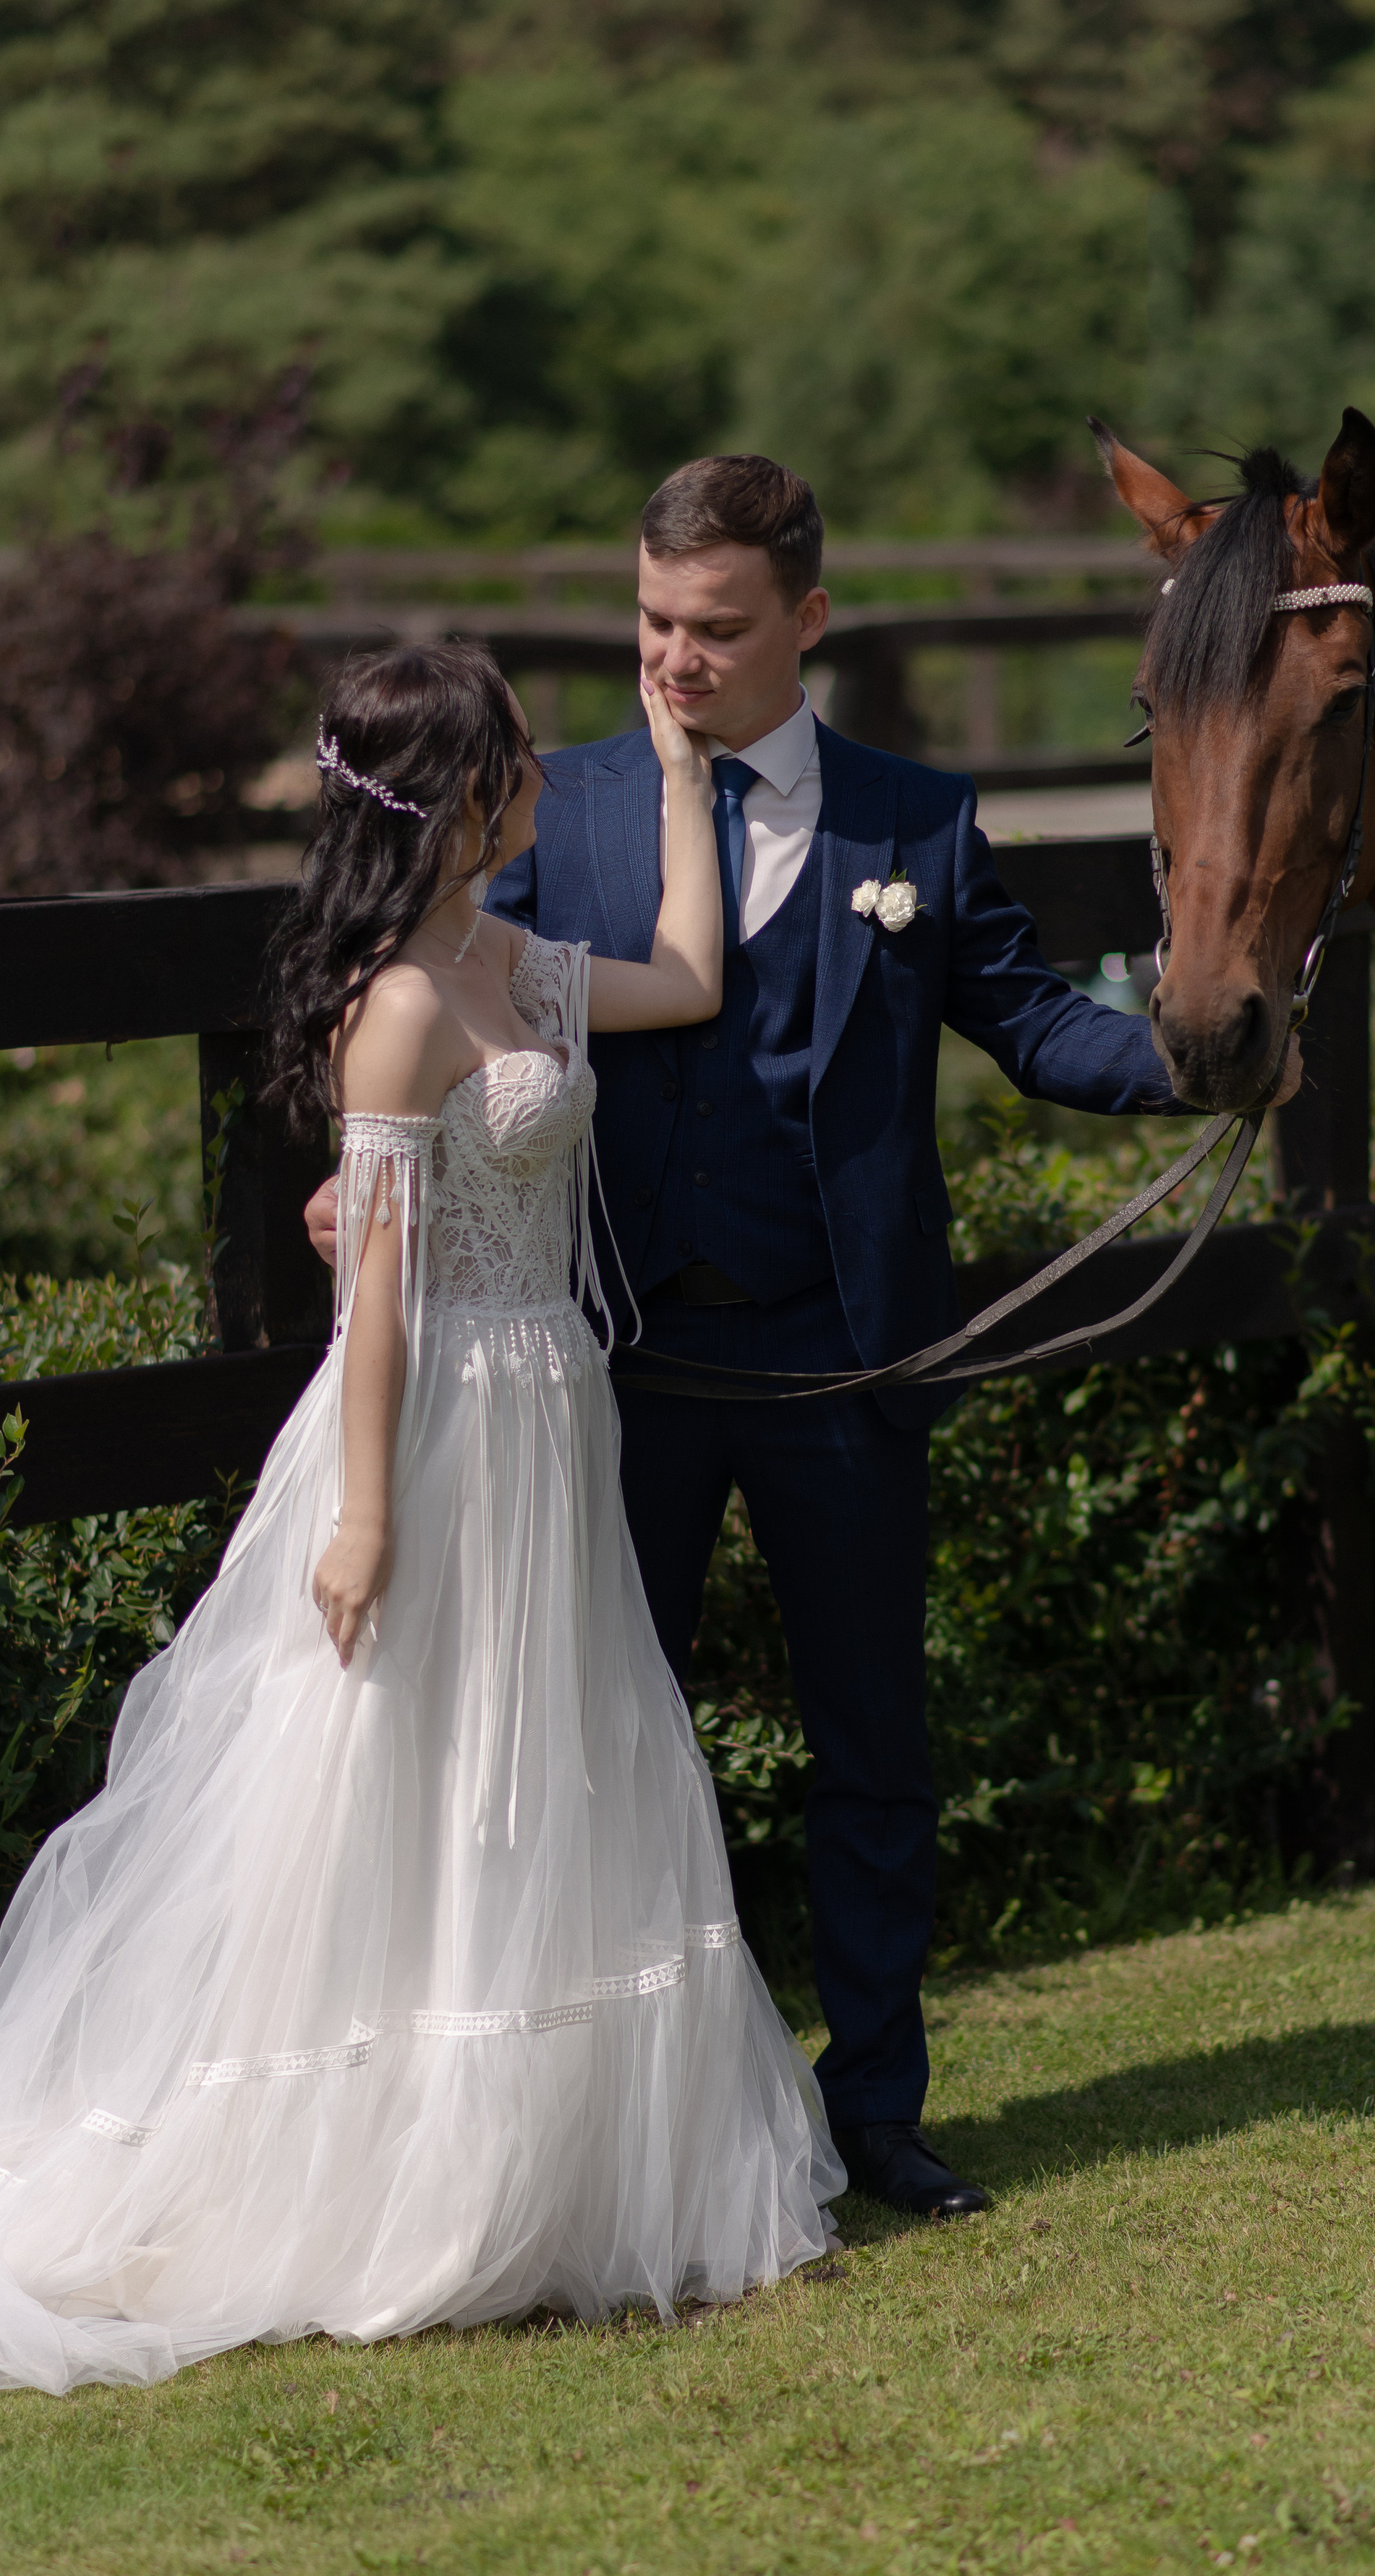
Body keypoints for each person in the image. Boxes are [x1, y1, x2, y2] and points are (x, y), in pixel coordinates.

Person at [0, 642, 843, 2397]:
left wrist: (687, 773)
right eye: (519, 758)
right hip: (443, 1421)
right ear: (460, 796)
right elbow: (367, 1301)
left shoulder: (508, 963)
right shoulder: (396, 1002)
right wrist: (364, 1515)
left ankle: (527, 2169)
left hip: (551, 1409)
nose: (542, 776)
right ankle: (368, 2166)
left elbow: (686, 979)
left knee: (539, 1769)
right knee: (398, 1769)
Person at [475, 454, 1201, 2217]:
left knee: (875, 1756)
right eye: (649, 621)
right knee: (592, 1754)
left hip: (844, 1367)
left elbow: (1032, 1021)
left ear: (808, 617)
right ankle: (610, 2135)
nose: (672, 660)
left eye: (714, 629)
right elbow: (429, 1000)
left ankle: (873, 2109)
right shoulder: (551, 812)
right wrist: (364, 1175)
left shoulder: (912, 821)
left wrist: (1193, 1058)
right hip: (620, 1369)